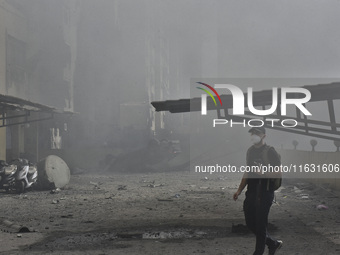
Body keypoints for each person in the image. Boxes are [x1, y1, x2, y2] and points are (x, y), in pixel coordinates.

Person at [233, 126, 283, 255]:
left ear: (264, 136)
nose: (254, 135)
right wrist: (239, 190)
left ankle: (258, 252)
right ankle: (273, 244)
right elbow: (247, 172)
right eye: (252, 133)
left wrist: (264, 173)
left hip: (265, 193)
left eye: (257, 133)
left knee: (261, 226)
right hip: (251, 192)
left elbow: (278, 172)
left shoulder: (270, 151)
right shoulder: (250, 151)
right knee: (250, 223)